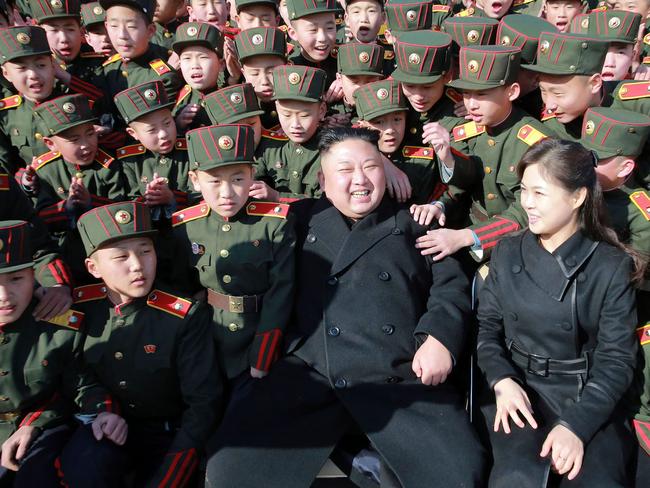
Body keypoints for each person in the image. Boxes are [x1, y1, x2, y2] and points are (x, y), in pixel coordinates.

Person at [205, 126, 486, 487]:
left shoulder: (415, 222)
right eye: (345, 170)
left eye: (370, 167)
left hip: (397, 374)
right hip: (312, 372)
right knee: (231, 469)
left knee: (459, 474)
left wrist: (439, 338)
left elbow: (451, 286)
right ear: (322, 180)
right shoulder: (300, 218)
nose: (360, 180)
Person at [476, 138, 644, 486]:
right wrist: (501, 380)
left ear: (578, 197)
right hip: (519, 390)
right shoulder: (508, 250)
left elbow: (616, 360)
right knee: (517, 477)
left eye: (539, 193)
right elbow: (488, 327)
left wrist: (575, 426)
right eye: (523, 191)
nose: (526, 204)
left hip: (588, 395)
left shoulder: (610, 267)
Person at [58, 201, 223, 487]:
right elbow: (76, 373)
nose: (138, 265)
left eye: (146, 251)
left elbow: (203, 404)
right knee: (83, 470)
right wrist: (103, 410)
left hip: (167, 434)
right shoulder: (81, 308)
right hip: (107, 425)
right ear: (93, 267)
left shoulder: (182, 316)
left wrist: (169, 479)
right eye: (121, 257)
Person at [164, 123, 296, 384]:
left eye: (238, 179)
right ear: (195, 180)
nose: (226, 193)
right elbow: (179, 284)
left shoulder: (275, 223)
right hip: (206, 337)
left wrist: (263, 355)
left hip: (257, 337)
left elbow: (281, 292)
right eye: (213, 181)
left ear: (252, 174)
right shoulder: (186, 226)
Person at [0, 220, 125, 487]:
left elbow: (80, 385)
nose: (4, 295)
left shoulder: (57, 325)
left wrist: (34, 422)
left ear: (34, 277)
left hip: (41, 432)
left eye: (16, 279)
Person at [32, 93, 125, 284]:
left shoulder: (109, 165)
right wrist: (67, 207)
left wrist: (91, 202)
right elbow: (38, 217)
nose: (86, 145)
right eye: (74, 140)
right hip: (68, 257)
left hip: (110, 255)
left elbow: (123, 208)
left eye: (90, 134)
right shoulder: (45, 171)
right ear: (51, 144)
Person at [114, 80, 196, 218]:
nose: (163, 134)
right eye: (152, 130)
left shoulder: (191, 151)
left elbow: (200, 196)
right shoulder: (129, 160)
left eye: (167, 123)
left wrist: (172, 197)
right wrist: (150, 197)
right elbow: (127, 203)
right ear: (133, 134)